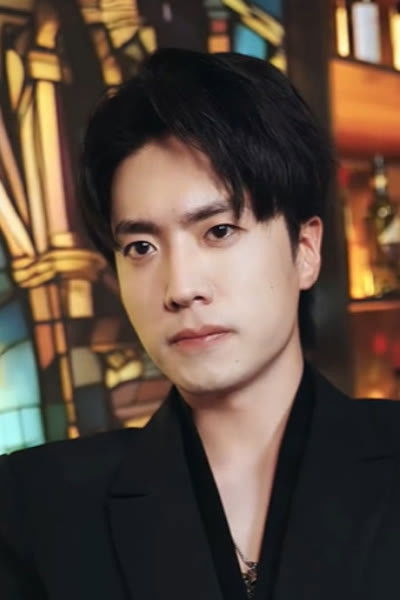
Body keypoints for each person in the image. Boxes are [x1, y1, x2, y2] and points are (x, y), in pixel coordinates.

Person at [1, 48, 399, 600]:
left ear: (305, 250)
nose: (181, 287)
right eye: (141, 247)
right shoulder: (37, 507)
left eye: (219, 231)